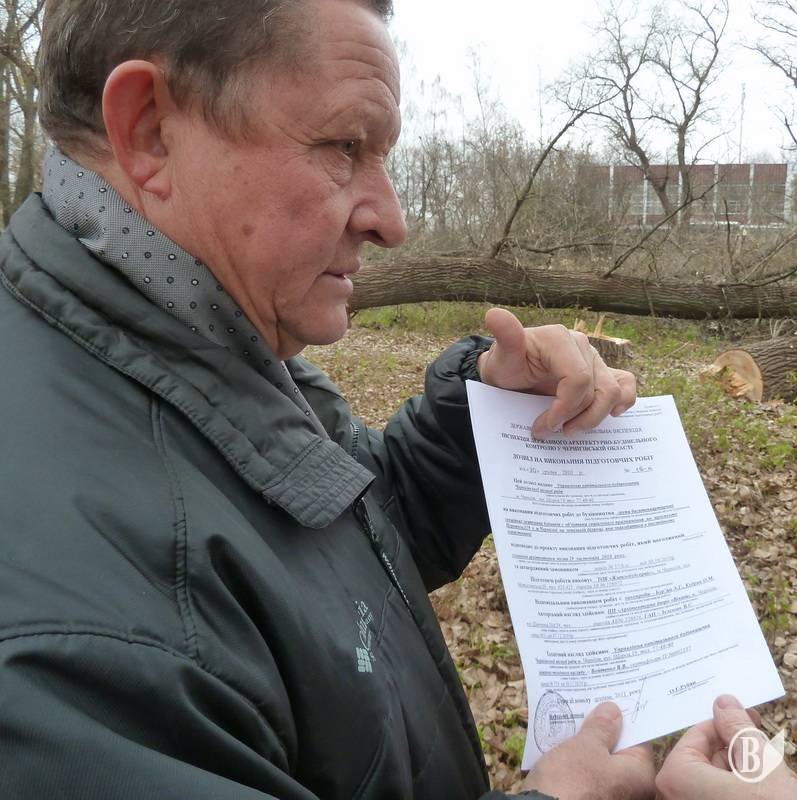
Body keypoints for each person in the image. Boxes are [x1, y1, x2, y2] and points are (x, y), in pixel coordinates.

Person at [0, 0, 696, 798]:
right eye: (344, 146)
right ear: (151, 130)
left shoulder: (189, 338)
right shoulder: (70, 640)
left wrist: (486, 413)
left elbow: (343, 544)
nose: (391, 222)